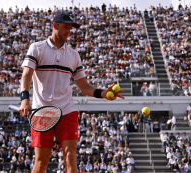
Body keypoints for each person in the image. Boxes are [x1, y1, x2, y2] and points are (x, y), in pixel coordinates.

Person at [18, 13, 124, 173]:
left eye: (70, 28)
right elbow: (26, 75)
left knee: (70, 156)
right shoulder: (37, 48)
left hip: (67, 111)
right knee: (41, 163)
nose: (69, 31)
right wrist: (24, 99)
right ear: (55, 25)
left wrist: (102, 93)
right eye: (65, 27)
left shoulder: (73, 55)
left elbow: (84, 87)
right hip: (42, 112)